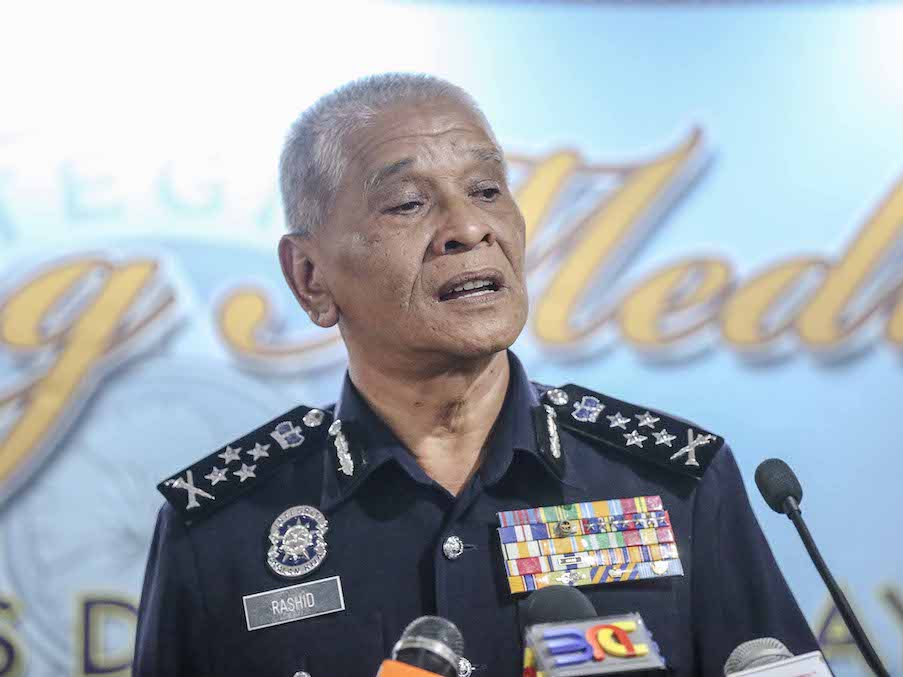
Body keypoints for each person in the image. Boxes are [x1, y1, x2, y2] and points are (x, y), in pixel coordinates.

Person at [134, 73, 819, 677]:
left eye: (488, 190)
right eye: (408, 203)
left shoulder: (675, 483)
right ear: (310, 277)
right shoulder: (218, 528)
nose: (467, 226)